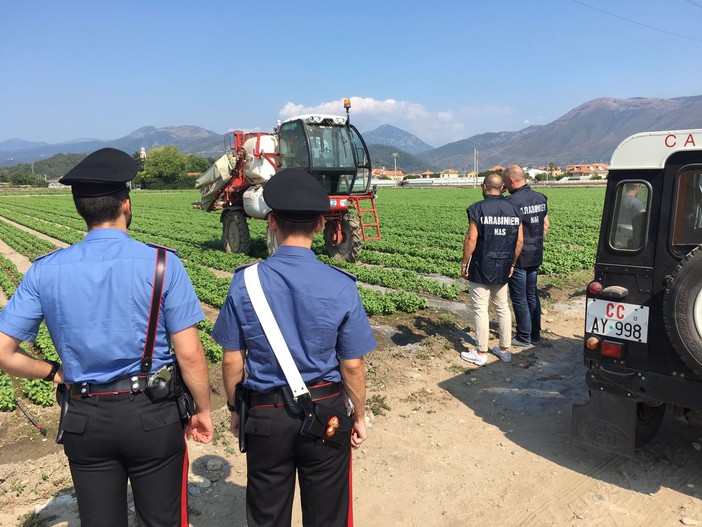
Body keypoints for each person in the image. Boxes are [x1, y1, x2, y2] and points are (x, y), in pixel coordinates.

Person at [0, 148, 213, 527]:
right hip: (152, 413)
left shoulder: (45, 271)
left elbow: (3, 352)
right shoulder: (163, 264)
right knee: (162, 519)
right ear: (126, 205)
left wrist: (53, 372)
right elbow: (191, 354)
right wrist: (202, 410)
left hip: (85, 419)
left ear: (80, 209)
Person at [213, 167, 375, 527]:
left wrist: (234, 408)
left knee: (267, 514)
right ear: (320, 224)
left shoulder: (245, 283)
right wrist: (359, 415)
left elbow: (231, 360)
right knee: (328, 512)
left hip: (265, 414)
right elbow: (352, 366)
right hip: (326, 412)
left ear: (271, 222)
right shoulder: (341, 284)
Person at [460, 173, 523, 366]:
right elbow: (519, 240)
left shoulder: (478, 209)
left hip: (481, 264)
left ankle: (481, 352)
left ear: (484, 187)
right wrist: (512, 263)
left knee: (480, 308)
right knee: (502, 307)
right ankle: (505, 350)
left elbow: (471, 239)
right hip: (504, 264)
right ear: (501, 187)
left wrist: (464, 263)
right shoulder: (513, 209)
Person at [503, 164, 549, 347]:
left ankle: (523, 336)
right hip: (536, 253)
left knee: (519, 296)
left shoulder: (511, 203)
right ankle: (535, 334)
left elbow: (516, 236)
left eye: (506, 182)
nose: (505, 186)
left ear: (512, 180)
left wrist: (512, 261)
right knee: (532, 293)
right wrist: (536, 243)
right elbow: (546, 225)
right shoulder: (540, 198)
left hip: (520, 255)